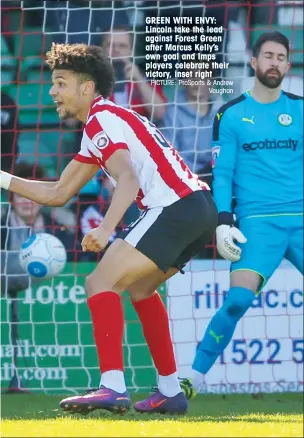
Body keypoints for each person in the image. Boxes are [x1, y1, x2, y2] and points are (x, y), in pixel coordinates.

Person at [0, 42, 218, 415]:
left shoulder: (101, 119)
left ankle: (112, 386)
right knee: (141, 289)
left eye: (60, 82)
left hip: (174, 206)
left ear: (86, 88)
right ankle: (169, 389)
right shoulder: (104, 123)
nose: (52, 91)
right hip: (198, 210)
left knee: (98, 283)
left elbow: (128, 179)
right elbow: (57, 193)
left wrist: (105, 228)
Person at [191, 31, 303, 390]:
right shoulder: (231, 114)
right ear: (254, 63)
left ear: (288, 64)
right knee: (238, 300)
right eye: (268, 56)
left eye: (281, 57)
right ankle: (190, 378)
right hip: (257, 223)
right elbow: (222, 175)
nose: (275, 62)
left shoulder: (301, 109)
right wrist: (224, 222)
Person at [161, 65, 222, 179]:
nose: (197, 82)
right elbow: (170, 154)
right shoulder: (172, 112)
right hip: (186, 177)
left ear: (211, 83)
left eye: (203, 78)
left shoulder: (222, 112)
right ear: (184, 81)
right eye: (192, 77)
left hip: (217, 173)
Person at [102, 26, 167, 123]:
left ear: (131, 51)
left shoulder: (144, 78)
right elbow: (71, 121)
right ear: (102, 49)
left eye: (122, 46)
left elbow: (160, 113)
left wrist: (139, 80)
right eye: (110, 45)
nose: (116, 49)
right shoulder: (91, 79)